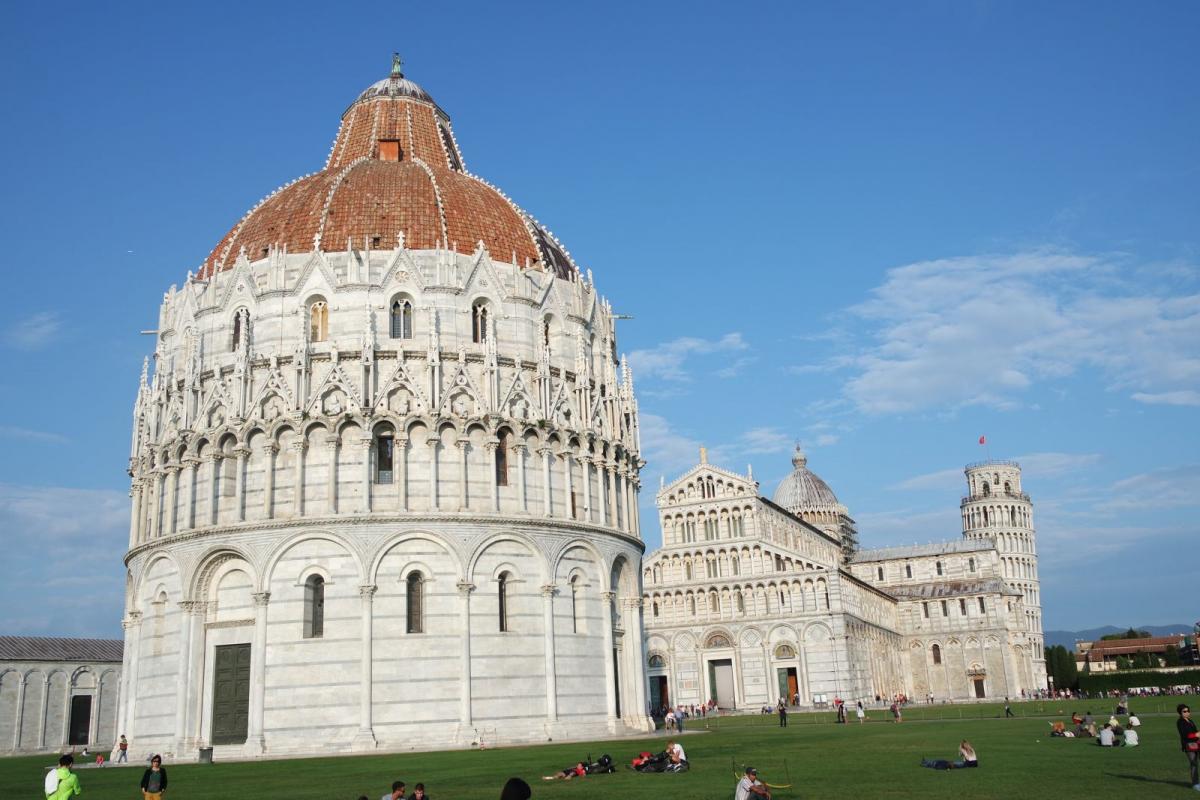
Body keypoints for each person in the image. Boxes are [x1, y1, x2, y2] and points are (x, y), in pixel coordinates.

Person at [1178, 703, 1199, 791]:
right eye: (1184, 711)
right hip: (1189, 746)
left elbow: (1195, 731)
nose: (1187, 712)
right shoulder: (1180, 722)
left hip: (1197, 744)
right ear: (1180, 713)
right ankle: (1195, 784)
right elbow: (1185, 735)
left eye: (1188, 711)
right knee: (1194, 764)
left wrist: (1197, 734)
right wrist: (1196, 734)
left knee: (1195, 763)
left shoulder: (1190, 720)